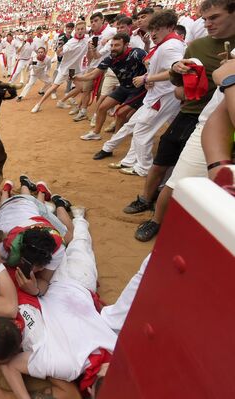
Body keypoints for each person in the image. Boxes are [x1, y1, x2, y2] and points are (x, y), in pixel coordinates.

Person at [130, 0, 235, 241]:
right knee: (175, 174)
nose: (207, 24)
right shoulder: (197, 46)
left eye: (215, 18)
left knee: (217, 187)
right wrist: (178, 71)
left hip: (213, 119)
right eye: (205, 19)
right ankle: (155, 218)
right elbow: (180, 84)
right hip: (197, 116)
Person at [0, 209, 117, 399]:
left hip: (77, 287)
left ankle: (79, 218)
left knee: (80, 245)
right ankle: (77, 217)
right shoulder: (64, 364)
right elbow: (9, 364)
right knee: (78, 244)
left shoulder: (120, 349)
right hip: (70, 287)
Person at [92, 10, 187, 177]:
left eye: (158, 29)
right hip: (158, 94)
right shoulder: (167, 44)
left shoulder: (170, 46)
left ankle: (143, 168)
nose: (153, 33)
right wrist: (149, 77)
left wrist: (147, 78)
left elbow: (176, 69)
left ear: (170, 27)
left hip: (163, 96)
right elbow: (166, 69)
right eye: (152, 29)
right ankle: (129, 161)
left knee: (142, 130)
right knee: (134, 125)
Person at [78, 33, 148, 141]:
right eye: (112, 45)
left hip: (139, 89)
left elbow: (152, 66)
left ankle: (116, 137)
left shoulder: (137, 53)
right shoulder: (110, 58)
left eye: (117, 45)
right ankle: (96, 133)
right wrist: (78, 78)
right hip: (124, 87)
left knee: (120, 113)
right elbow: (93, 74)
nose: (113, 48)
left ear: (126, 45)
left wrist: (145, 77)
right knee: (102, 107)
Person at [31, 21, 89, 113]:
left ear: (85, 29)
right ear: (76, 30)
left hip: (73, 69)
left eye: (82, 29)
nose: (80, 31)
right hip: (65, 69)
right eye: (78, 29)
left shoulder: (87, 38)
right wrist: (58, 50)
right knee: (54, 87)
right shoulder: (71, 43)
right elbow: (60, 53)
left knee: (80, 87)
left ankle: (62, 101)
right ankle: (38, 104)